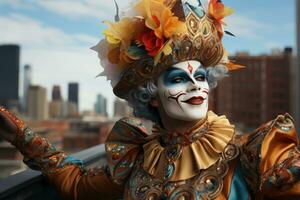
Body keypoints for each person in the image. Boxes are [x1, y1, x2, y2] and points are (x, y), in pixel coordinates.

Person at [0, 0, 299, 199]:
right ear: (152, 96)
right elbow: (78, 185)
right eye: (179, 79)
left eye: (201, 77)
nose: (196, 86)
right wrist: (21, 137)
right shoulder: (136, 158)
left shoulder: (255, 155)